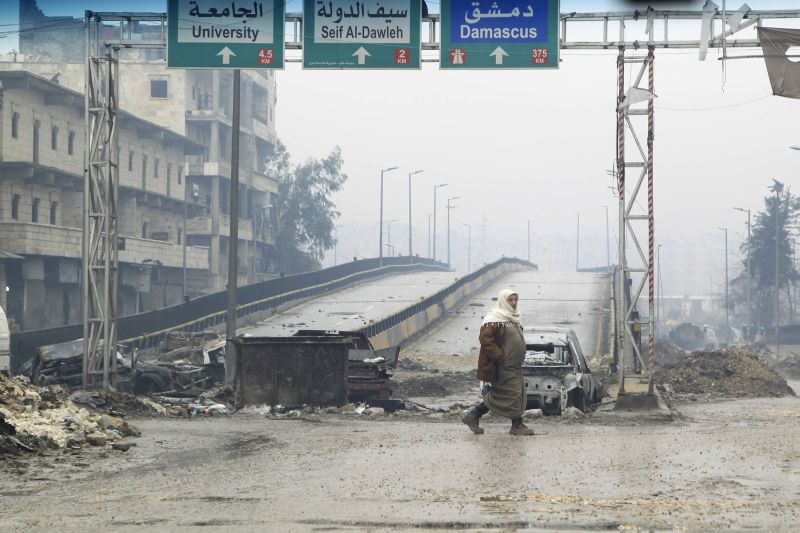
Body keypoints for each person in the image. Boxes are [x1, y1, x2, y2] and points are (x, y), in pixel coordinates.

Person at [462, 288, 535, 436]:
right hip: (502, 365)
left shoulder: (512, 318)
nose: (514, 303)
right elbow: (486, 340)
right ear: (503, 300)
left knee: (508, 394)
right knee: (513, 393)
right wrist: (500, 356)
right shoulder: (494, 319)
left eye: (515, 300)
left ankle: (473, 415)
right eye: (510, 300)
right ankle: (517, 425)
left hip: (514, 366)